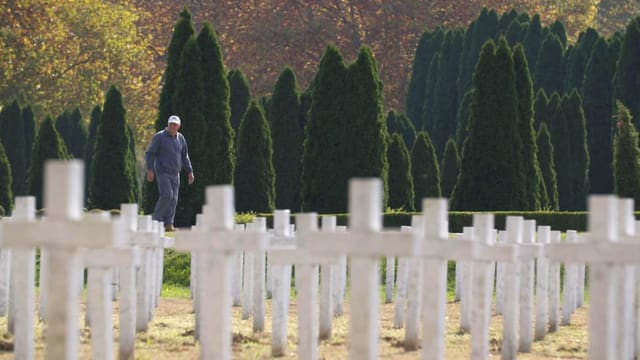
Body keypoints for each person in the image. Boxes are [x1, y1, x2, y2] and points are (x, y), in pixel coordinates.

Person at [145, 115, 195, 232]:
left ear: (179, 126)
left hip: (175, 173)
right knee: (167, 195)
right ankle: (156, 220)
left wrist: (190, 171)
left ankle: (168, 224)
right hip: (162, 172)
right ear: (168, 124)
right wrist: (150, 169)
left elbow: (185, 156)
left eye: (175, 124)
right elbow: (150, 153)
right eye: (171, 124)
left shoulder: (181, 138)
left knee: (174, 199)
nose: (173, 126)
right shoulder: (160, 137)